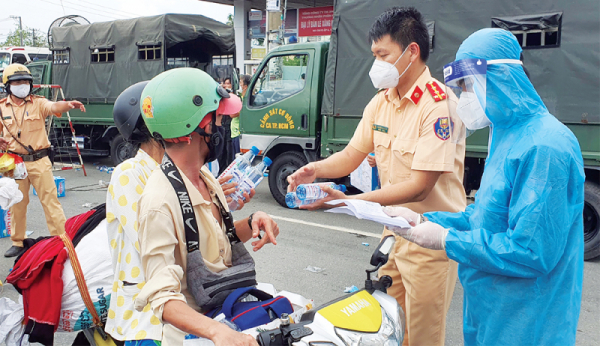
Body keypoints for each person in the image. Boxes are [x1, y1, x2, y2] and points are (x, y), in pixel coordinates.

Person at [384, 28, 585, 346]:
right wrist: (426, 221)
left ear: (501, 77)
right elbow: (486, 216)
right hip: (489, 307)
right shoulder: (505, 134)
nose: (463, 98)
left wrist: (448, 240)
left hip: (528, 320)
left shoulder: (546, 146)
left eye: (467, 87)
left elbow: (532, 252)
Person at [287, 8, 466, 346]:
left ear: (411, 52)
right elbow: (351, 155)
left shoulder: (438, 105)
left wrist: (347, 201)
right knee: (384, 330)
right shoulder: (381, 103)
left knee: (422, 338)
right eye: (374, 55)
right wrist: (316, 169)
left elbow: (419, 186)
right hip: (393, 237)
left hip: (429, 239)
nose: (377, 64)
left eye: (383, 55)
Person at [133, 68, 279, 346]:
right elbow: (162, 297)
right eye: (217, 118)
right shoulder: (158, 202)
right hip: (195, 337)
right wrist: (215, 332)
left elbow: (217, 238)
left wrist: (252, 222)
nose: (222, 126)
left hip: (227, 315)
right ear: (189, 129)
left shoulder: (206, 178)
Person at [106, 81, 253, 344]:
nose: (219, 127)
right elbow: (166, 245)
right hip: (150, 319)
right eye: (215, 120)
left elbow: (209, 244)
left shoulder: (199, 172)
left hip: (199, 304)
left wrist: (228, 216)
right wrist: (204, 208)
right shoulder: (130, 176)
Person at [0, 63, 86, 258]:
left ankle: (62, 240)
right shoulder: (1, 107)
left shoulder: (38, 103)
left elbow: (54, 106)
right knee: (17, 203)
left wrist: (68, 105)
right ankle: (18, 242)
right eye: (17, 82)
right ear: (8, 85)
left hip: (39, 160)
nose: (22, 85)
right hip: (15, 164)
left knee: (51, 201)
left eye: (25, 82)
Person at [230, 74, 251, 157]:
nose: (239, 84)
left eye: (241, 82)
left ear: (245, 86)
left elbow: (232, 114)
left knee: (238, 159)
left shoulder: (244, 99)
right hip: (236, 133)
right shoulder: (242, 98)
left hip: (238, 133)